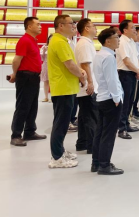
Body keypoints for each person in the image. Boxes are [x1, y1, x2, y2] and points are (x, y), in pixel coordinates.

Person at [48, 15, 87, 169]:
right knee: (61, 124)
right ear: (61, 25)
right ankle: (57, 157)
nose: (74, 26)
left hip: (67, 87)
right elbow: (70, 65)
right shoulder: (59, 42)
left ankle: (60, 151)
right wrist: (82, 75)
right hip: (63, 88)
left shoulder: (62, 41)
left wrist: (79, 73)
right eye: (71, 23)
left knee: (63, 123)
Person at [9, 17, 47, 147]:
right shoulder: (25, 40)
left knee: (32, 106)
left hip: (33, 77)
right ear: (29, 26)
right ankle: (16, 135)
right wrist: (15, 74)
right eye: (38, 24)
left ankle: (30, 131)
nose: (40, 26)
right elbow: (16, 60)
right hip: (25, 77)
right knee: (23, 106)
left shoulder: (32, 40)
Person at [92, 28, 124, 176]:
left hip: (102, 97)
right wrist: (117, 98)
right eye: (116, 37)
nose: (118, 40)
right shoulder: (109, 57)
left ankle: (96, 162)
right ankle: (104, 165)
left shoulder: (99, 54)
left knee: (100, 132)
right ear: (108, 41)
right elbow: (111, 80)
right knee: (108, 134)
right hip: (110, 99)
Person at [75, 18, 99, 154]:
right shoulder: (84, 44)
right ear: (87, 28)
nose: (96, 28)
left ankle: (82, 142)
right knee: (91, 115)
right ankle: (92, 145)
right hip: (87, 86)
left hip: (86, 85)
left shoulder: (86, 43)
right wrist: (90, 82)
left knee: (85, 115)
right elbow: (85, 64)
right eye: (93, 26)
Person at [116, 20, 139, 140]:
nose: (134, 30)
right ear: (125, 30)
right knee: (125, 102)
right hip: (125, 74)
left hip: (132, 73)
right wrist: (137, 71)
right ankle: (121, 129)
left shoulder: (131, 41)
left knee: (130, 101)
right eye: (132, 27)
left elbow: (135, 58)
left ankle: (126, 124)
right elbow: (126, 61)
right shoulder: (122, 42)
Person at [41, 35, 52, 103]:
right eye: (50, 39)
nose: (51, 40)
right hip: (45, 65)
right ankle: (46, 97)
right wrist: (44, 50)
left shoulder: (56, 47)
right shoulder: (44, 47)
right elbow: (42, 58)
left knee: (52, 82)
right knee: (46, 81)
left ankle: (52, 97)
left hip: (53, 66)